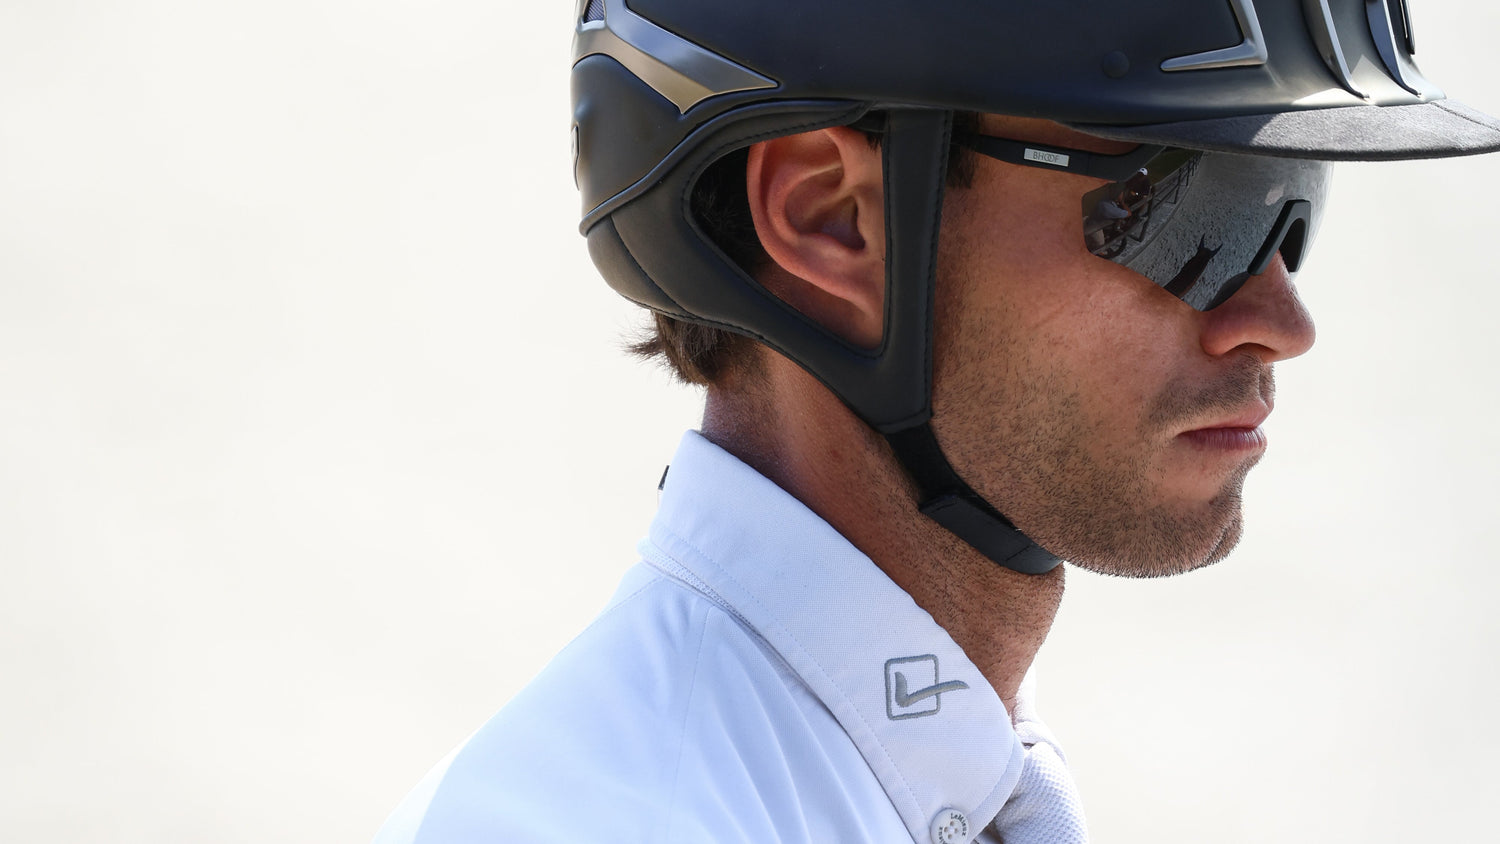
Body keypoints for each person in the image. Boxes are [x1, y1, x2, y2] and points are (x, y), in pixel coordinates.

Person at [376, 1, 1500, 841]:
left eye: (1291, 204)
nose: (1280, 320)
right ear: (831, 218)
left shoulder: (925, 787)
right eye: (1191, 205)